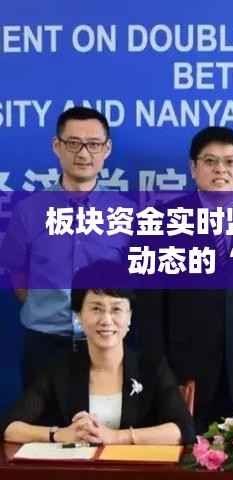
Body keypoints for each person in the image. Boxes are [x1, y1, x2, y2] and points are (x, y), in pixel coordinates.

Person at [136, 126, 233, 433]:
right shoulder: (161, 223)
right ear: (193, 168)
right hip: (186, 377)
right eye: (210, 161)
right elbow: (149, 313)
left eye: (230, 162)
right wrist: (164, 378)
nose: (220, 170)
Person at [0, 106, 132, 387]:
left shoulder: (127, 213)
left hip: (106, 344)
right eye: (73, 143)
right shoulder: (28, 211)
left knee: (103, 416)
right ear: (56, 146)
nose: (83, 154)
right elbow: (16, 271)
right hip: (45, 343)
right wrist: (44, 307)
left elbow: (135, 281)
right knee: (38, 416)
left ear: (107, 149)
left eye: (93, 144)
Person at [1, 261, 194, 445]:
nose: (106, 320)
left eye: (116, 309)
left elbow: (183, 429)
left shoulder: (151, 367)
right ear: (79, 316)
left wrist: (116, 437)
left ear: (129, 317)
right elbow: (9, 427)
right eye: (96, 309)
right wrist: (60, 434)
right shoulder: (58, 368)